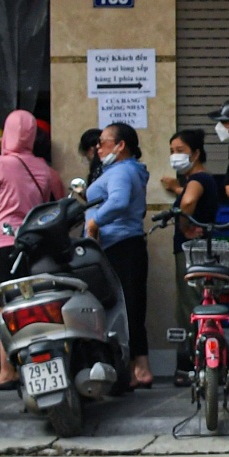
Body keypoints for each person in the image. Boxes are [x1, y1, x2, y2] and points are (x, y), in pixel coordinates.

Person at [0, 110, 57, 390]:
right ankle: (31, 365)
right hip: (33, 246)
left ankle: (6, 369)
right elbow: (47, 203)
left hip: (2, 245)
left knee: (3, 307)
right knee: (31, 306)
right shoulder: (45, 168)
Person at [84, 122, 152, 389]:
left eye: (104, 141)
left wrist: (94, 222)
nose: (99, 147)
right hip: (119, 246)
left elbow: (119, 201)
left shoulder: (123, 171)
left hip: (122, 246)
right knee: (128, 306)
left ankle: (140, 369)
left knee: (128, 307)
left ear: (121, 145)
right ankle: (137, 367)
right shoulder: (120, 170)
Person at [158, 127, 224, 234]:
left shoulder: (198, 178)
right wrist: (177, 189)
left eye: (180, 151)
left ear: (196, 154)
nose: (174, 156)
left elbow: (188, 202)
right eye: (172, 151)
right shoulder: (203, 178)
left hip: (192, 245)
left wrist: (185, 229)